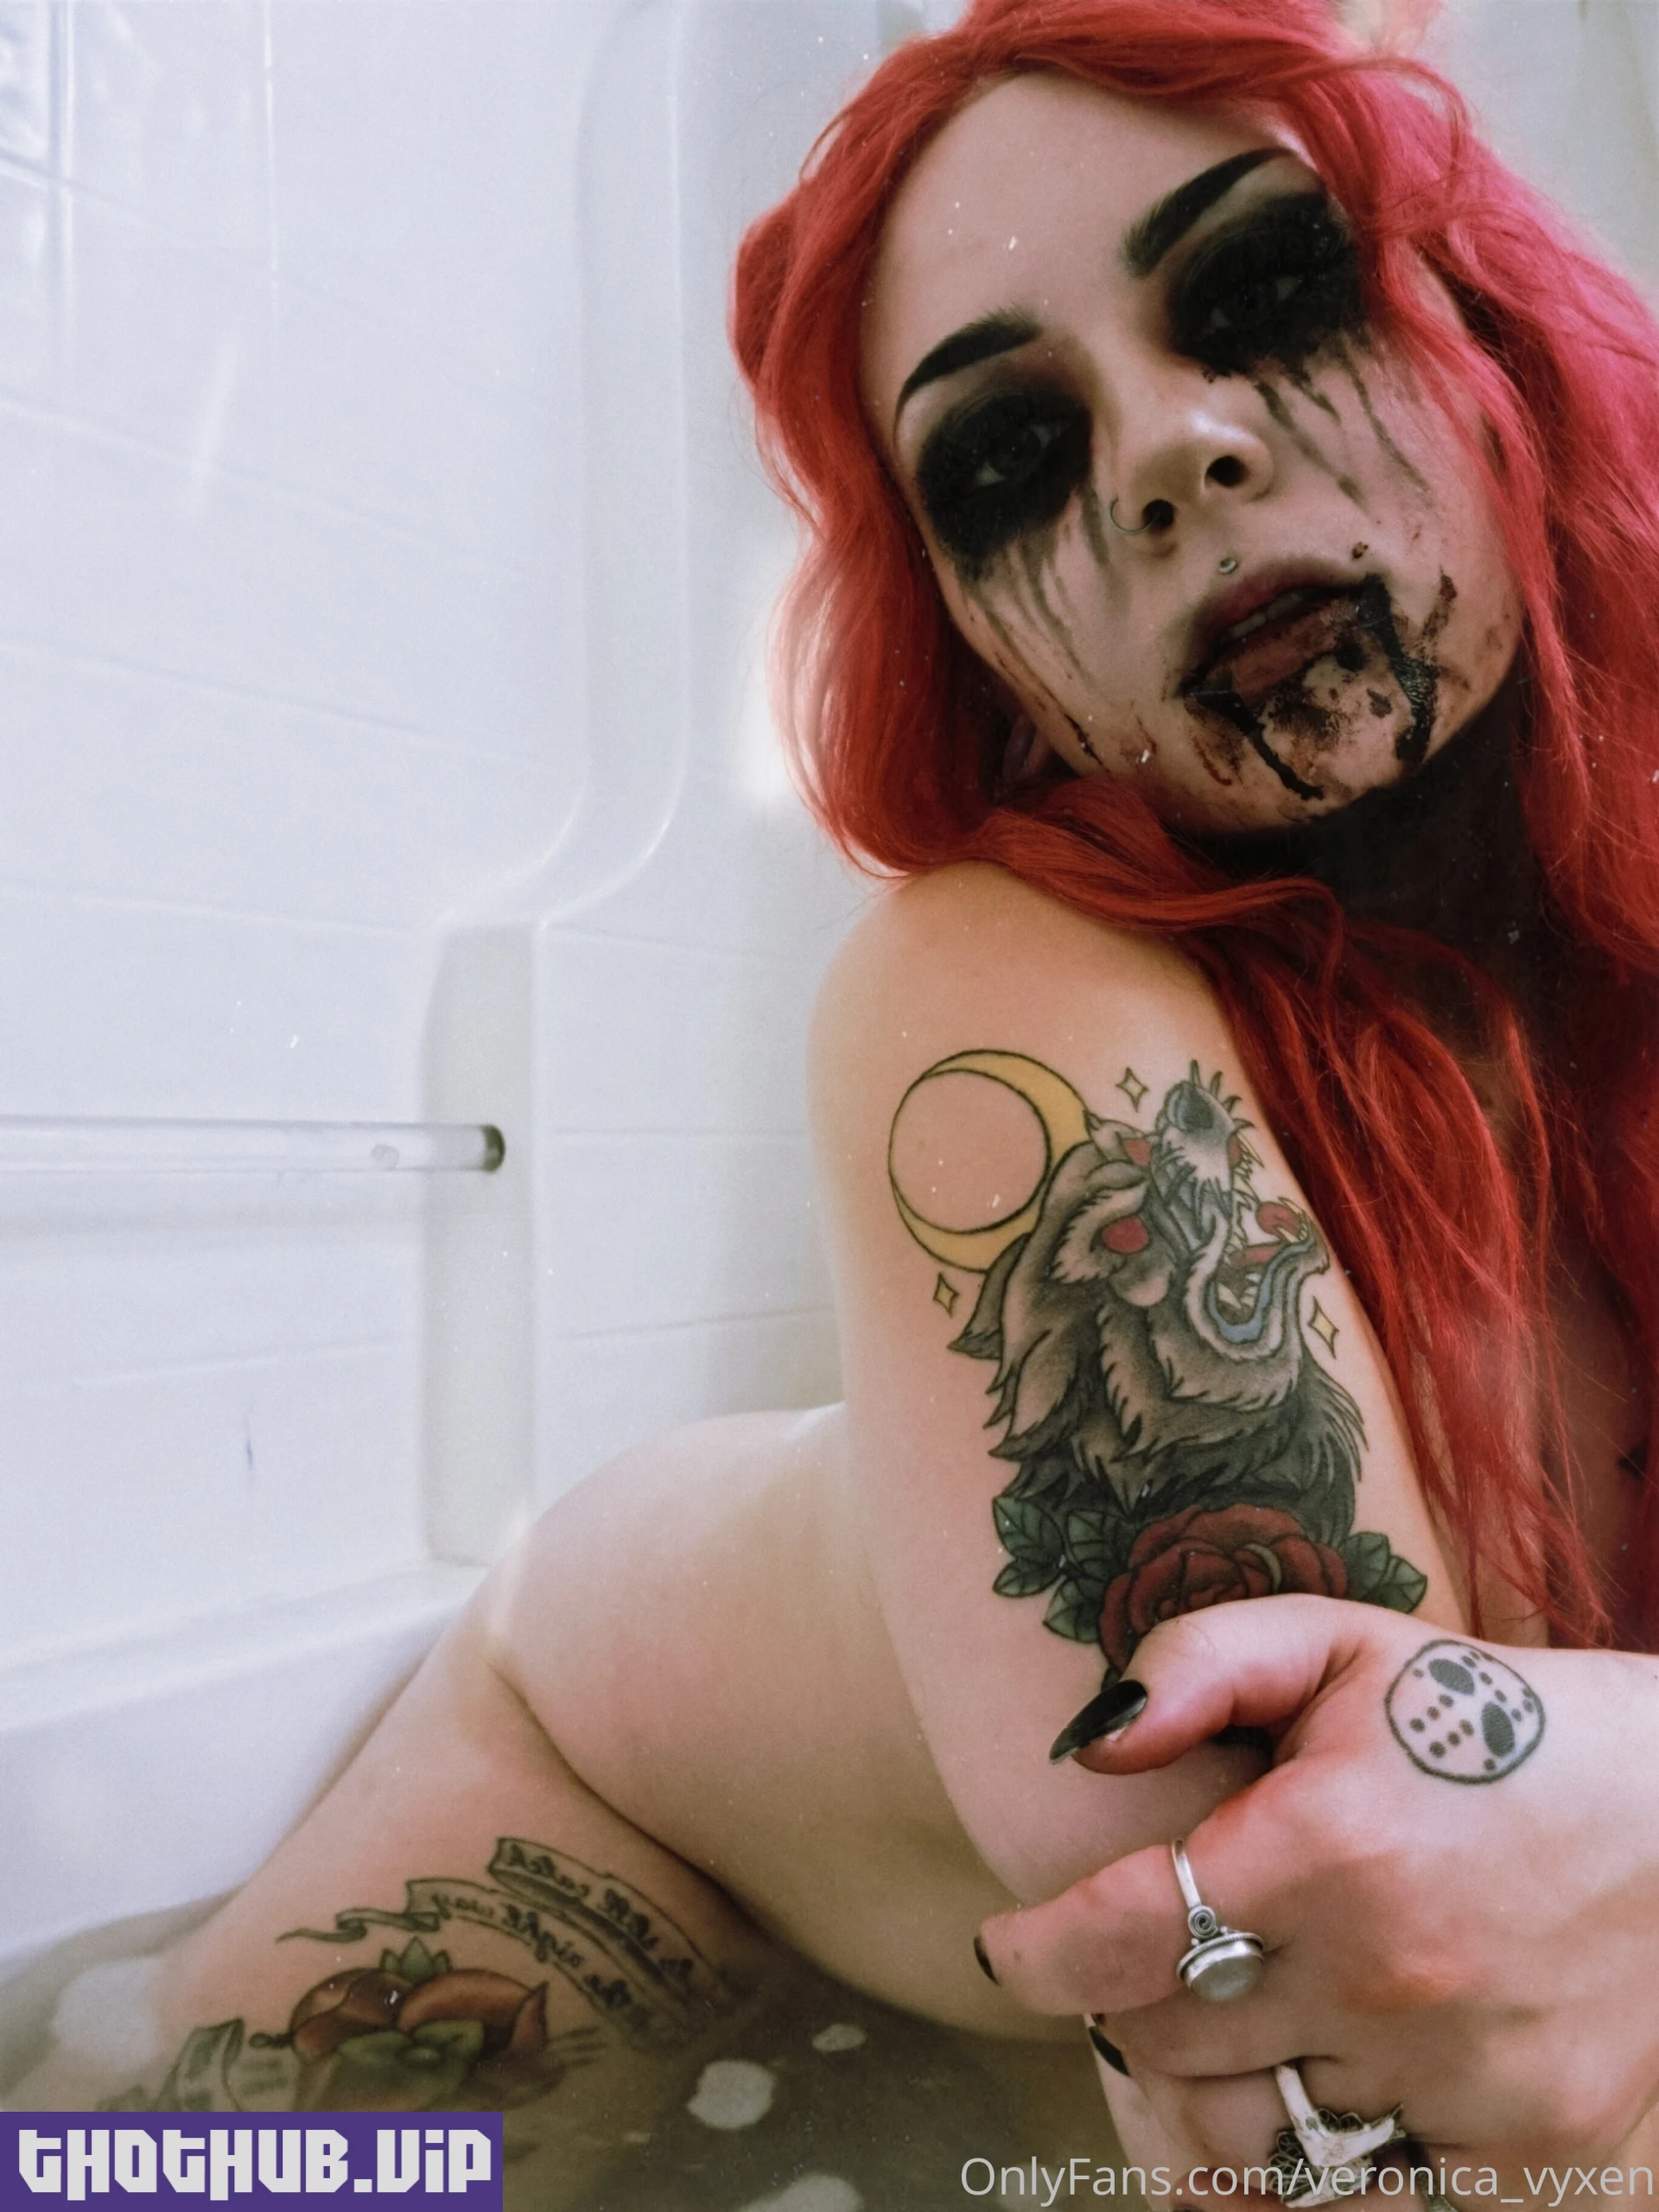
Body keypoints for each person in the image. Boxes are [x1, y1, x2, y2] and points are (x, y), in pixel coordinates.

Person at [14, 0, 1659, 2201]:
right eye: (1006, 458)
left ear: (1489, 332)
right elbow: (1350, 2076)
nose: (1168, 450)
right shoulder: (1003, 1001)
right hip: (610, 1797)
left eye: (1267, 290)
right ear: (983, 646)